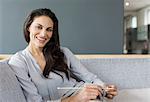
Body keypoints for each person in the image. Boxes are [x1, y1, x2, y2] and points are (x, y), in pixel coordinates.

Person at [8, 8, 117, 102]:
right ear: (28, 27)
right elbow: (34, 100)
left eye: (49, 30)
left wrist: (104, 88)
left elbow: (90, 78)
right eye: (39, 27)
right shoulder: (19, 61)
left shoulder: (63, 52)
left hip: (86, 96)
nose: (43, 34)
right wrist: (76, 99)